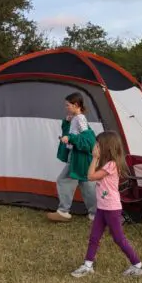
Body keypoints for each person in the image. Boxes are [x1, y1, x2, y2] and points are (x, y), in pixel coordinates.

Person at [71, 131, 142, 278]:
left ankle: (139, 266)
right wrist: (96, 159)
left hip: (111, 208)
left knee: (119, 238)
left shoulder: (111, 165)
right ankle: (87, 265)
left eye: (98, 145)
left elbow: (90, 176)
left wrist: (94, 158)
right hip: (102, 207)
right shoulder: (106, 164)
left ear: (106, 147)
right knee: (94, 237)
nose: (95, 147)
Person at [47, 93, 97, 222]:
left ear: (76, 105)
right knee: (87, 185)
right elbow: (72, 133)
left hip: (78, 158)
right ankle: (96, 214)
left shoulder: (80, 119)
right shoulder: (75, 118)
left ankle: (63, 211)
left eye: (68, 105)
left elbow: (89, 140)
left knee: (63, 180)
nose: (66, 107)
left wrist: (70, 138)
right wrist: (67, 122)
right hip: (79, 158)